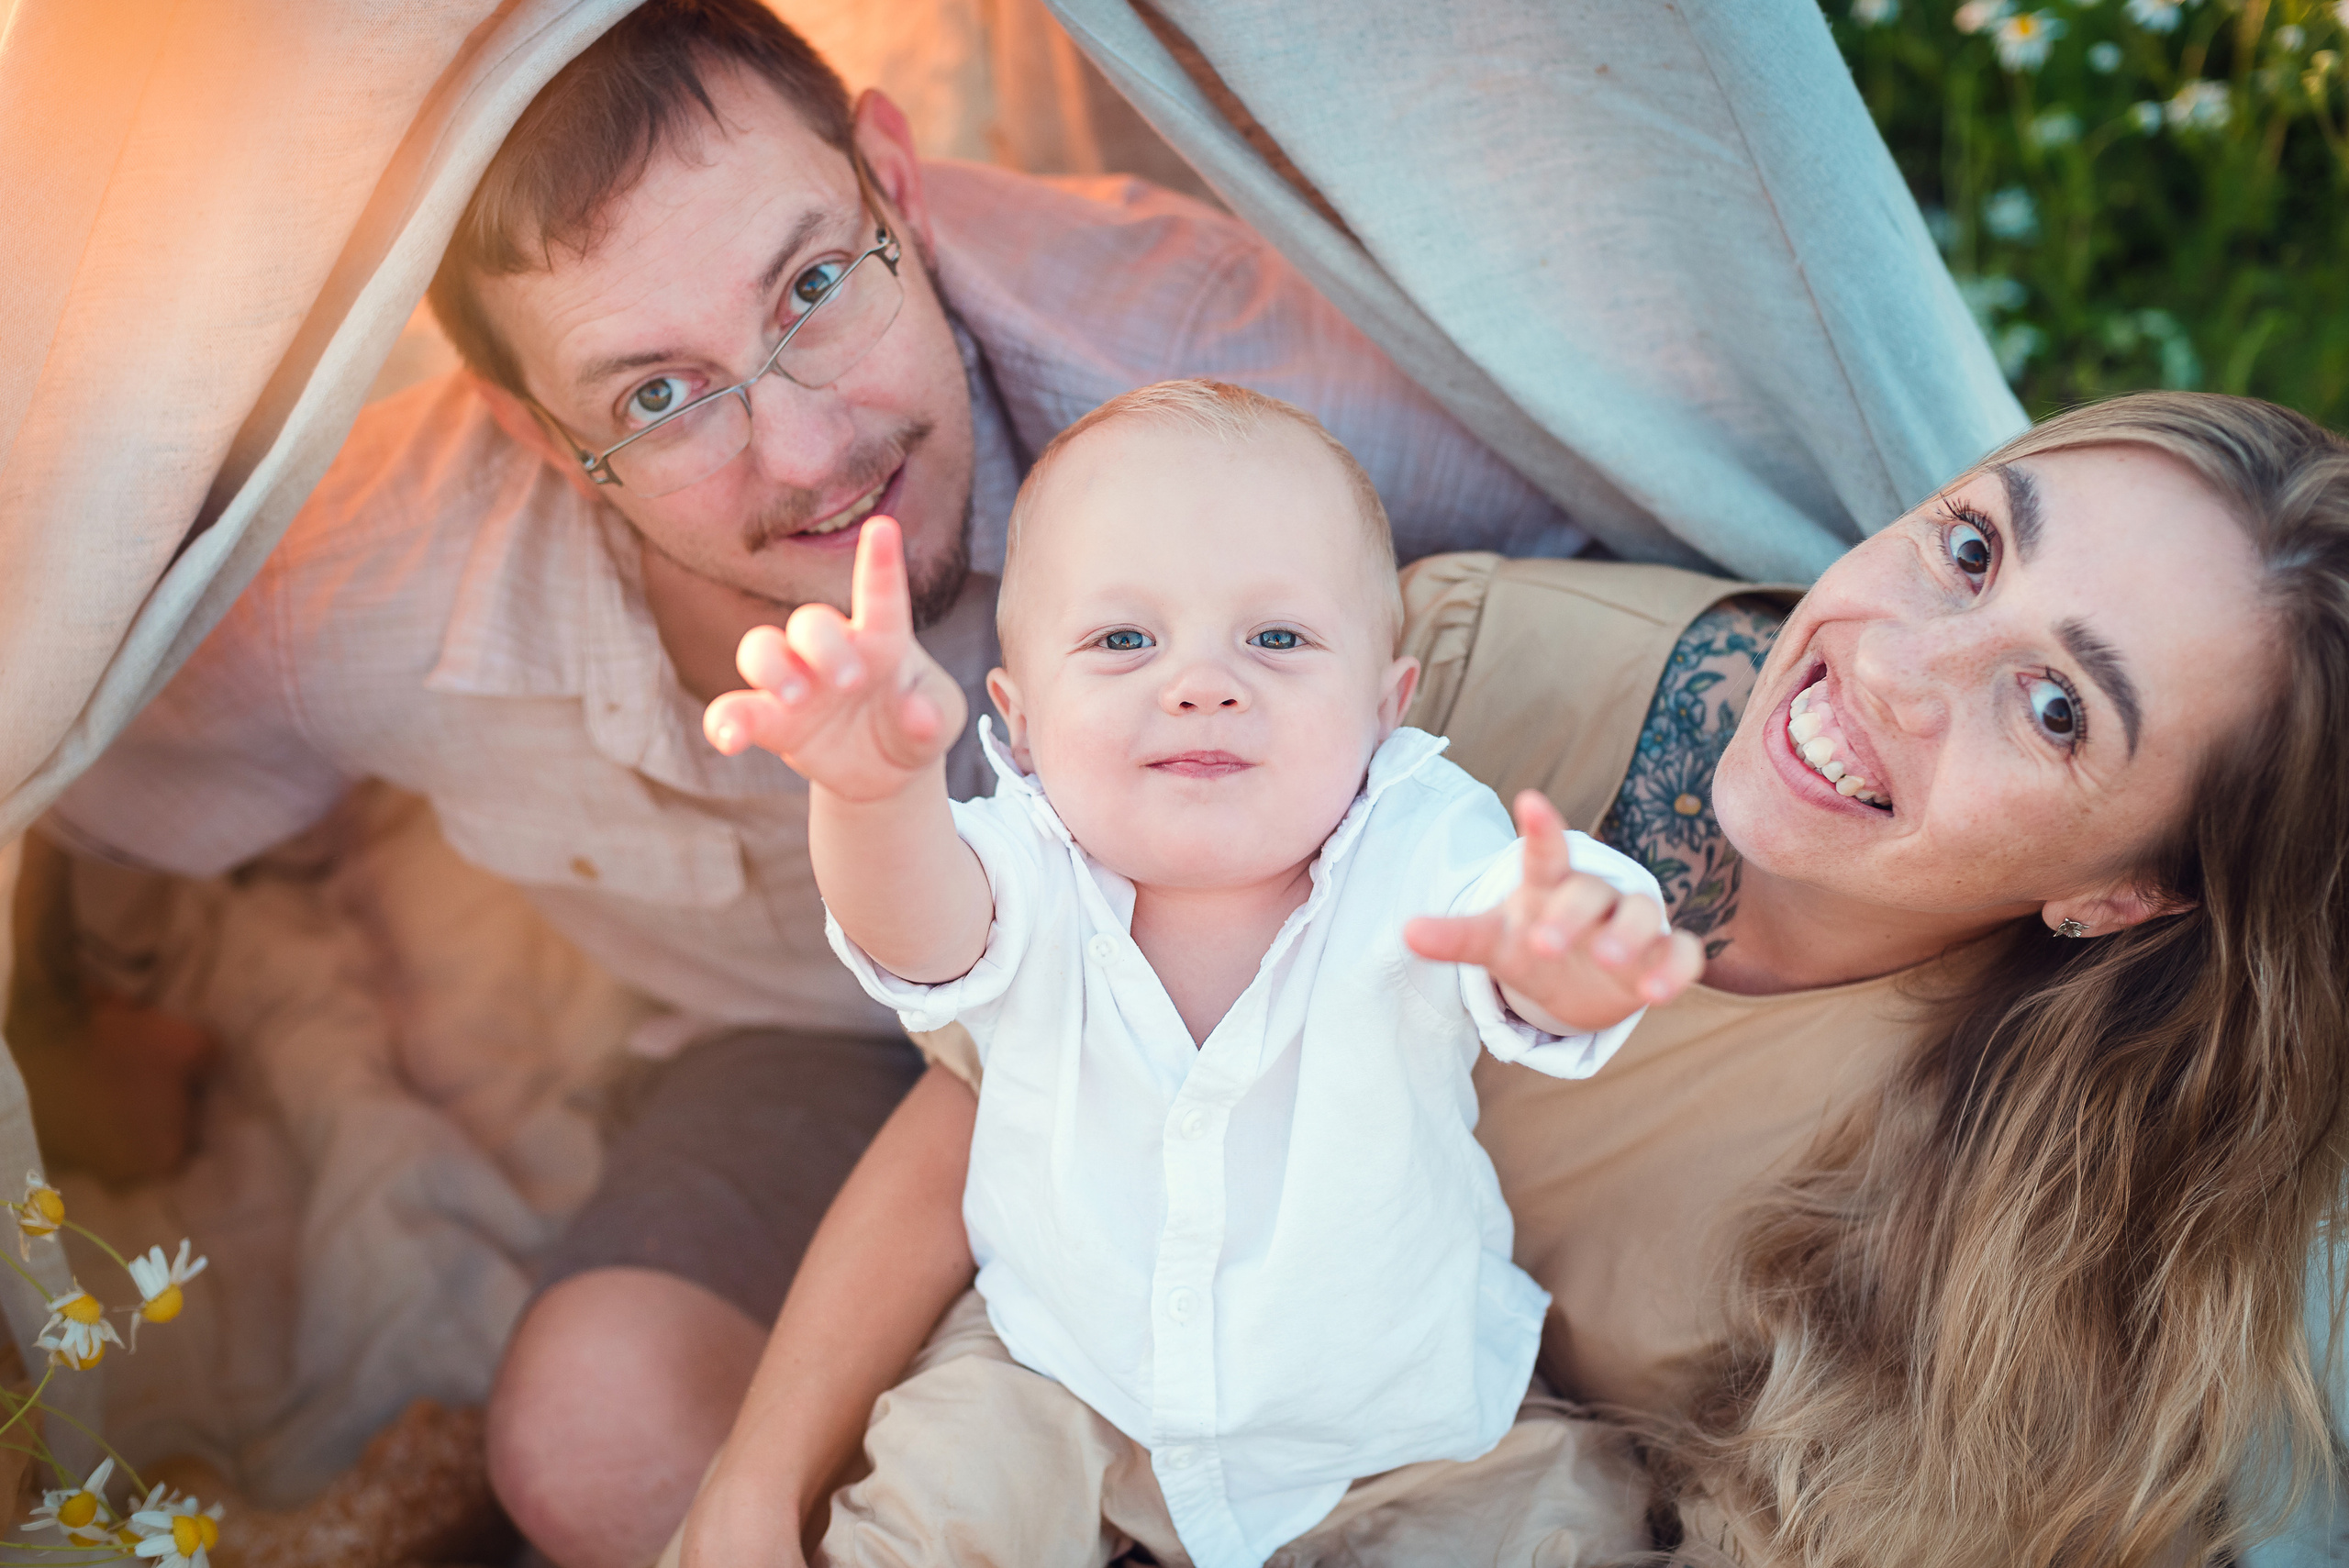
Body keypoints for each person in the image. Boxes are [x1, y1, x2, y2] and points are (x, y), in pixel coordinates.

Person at [28, 5, 1586, 1564]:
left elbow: (1630, 495)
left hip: (1238, 994)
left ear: (896, 180)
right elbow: (52, 748)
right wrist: (78, 1032)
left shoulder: (1220, 378)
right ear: (536, 432)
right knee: (594, 1437)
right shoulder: (360, 586)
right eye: (656, 395)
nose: (805, 449)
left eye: (813, 287)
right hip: (800, 1048)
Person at [669, 390, 2349, 1568]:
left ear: (2122, 891)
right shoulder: (1456, 677)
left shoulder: (2028, 1214)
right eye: (1970, 550)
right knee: (630, 1448)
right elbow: (1016, 1075)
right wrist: (752, 1490)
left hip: (1439, 1469)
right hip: (1089, 1350)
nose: (1904, 669)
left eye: (2053, 709)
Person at [699, 380, 1698, 1567]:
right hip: (1060, 1375)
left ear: (1385, 708)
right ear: (1021, 723)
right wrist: (874, 795)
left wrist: (1567, 952)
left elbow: (1520, 910)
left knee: (1571, 1531)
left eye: (1276, 638)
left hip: (1399, 1416)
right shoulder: (1027, 855)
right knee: (920, 1519)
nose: (1202, 683)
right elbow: (920, 933)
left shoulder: (1421, 839)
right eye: (1124, 640)